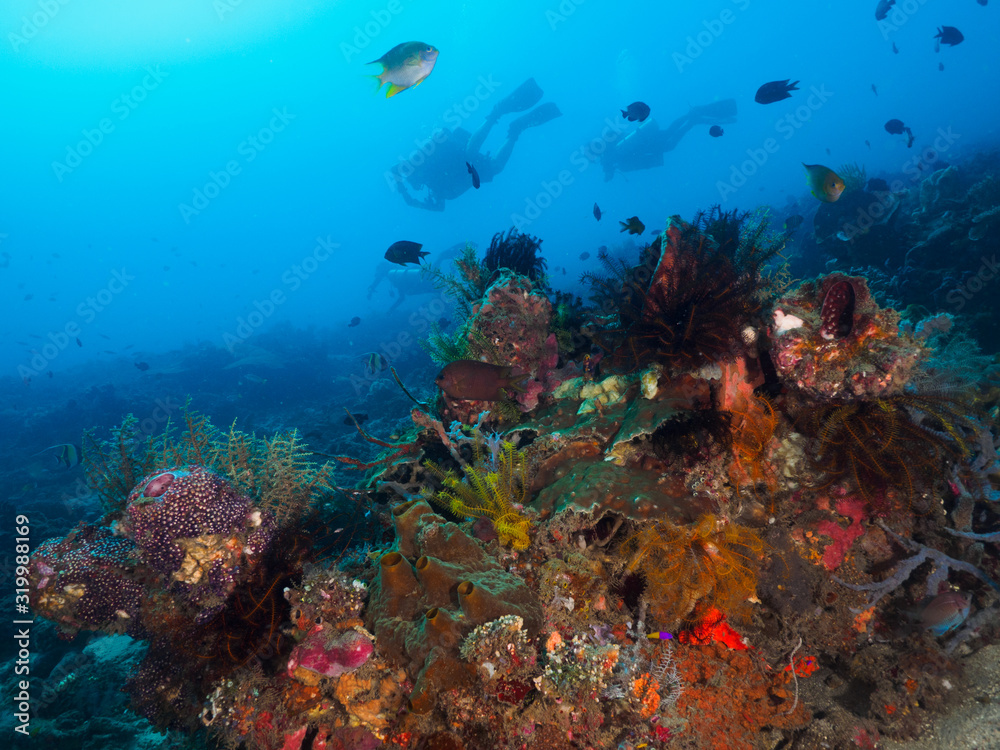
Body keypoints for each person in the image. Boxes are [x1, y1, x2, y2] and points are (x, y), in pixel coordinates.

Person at [390, 79, 561, 211]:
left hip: (454, 151)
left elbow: (394, 170)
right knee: (495, 167)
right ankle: (516, 130)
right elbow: (440, 208)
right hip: (463, 169)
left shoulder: (414, 163)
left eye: (413, 182)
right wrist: (414, 203)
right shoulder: (433, 186)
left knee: (469, 153)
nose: (416, 186)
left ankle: (496, 112)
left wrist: (404, 192)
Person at [601, 99, 738, 181]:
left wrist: (608, 174)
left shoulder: (607, 157)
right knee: (668, 133)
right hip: (647, 140)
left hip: (647, 145)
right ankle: (690, 117)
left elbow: (610, 169)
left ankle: (691, 118)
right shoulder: (608, 151)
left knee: (670, 142)